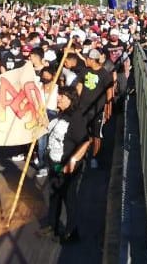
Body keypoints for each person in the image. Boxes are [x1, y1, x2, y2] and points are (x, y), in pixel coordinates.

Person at [40, 86, 91, 244]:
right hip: (55, 165)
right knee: (54, 195)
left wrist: (73, 160)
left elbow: (85, 142)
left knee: (69, 198)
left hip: (68, 167)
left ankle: (71, 231)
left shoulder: (76, 118)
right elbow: (48, 127)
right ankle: (52, 225)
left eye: (61, 97)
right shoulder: (61, 114)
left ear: (70, 99)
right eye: (58, 96)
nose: (58, 98)